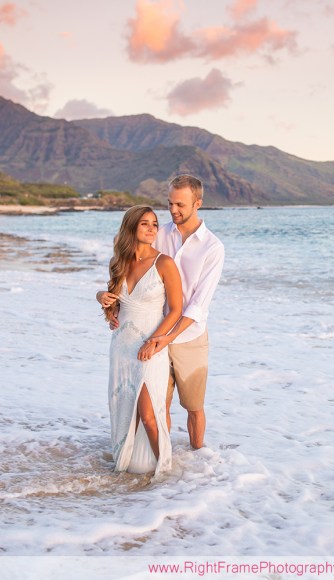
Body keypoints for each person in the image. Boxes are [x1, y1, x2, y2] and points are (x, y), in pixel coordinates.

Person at [98, 175, 224, 450]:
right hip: (152, 333)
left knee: (193, 406)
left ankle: (197, 458)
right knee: (158, 405)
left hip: (188, 335)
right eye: (170, 203)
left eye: (180, 204)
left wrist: (167, 337)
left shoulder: (212, 247)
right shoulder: (159, 233)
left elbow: (198, 304)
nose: (173, 210)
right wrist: (115, 304)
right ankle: (166, 464)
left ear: (198, 203)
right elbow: (130, 259)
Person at [97, 205, 182, 476]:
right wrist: (102, 297)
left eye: (155, 224)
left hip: (150, 346)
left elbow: (176, 310)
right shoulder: (120, 263)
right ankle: (122, 468)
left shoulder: (164, 263)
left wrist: (156, 341)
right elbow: (115, 306)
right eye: (145, 223)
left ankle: (166, 475)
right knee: (125, 409)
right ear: (131, 226)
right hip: (122, 347)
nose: (152, 228)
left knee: (148, 414)